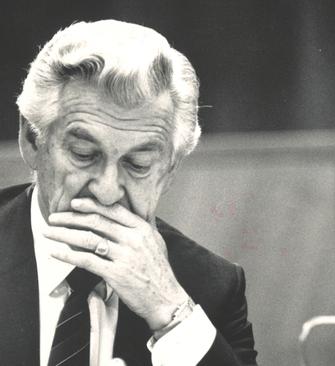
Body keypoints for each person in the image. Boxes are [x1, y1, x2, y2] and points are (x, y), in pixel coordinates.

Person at [0, 20, 257, 365]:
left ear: (169, 170)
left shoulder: (211, 287)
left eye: (137, 164)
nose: (106, 192)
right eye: (84, 154)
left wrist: (169, 310)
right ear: (32, 141)